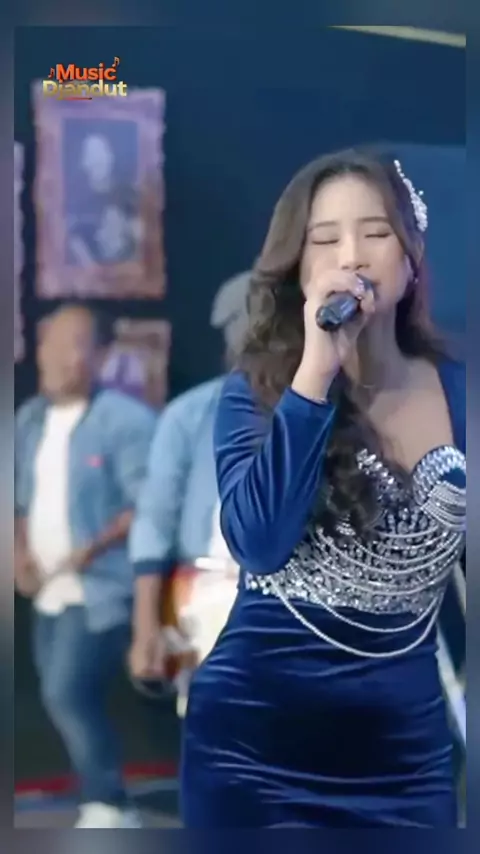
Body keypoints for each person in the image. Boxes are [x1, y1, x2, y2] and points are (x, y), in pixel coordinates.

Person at [179, 148, 466, 828]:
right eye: (326, 239)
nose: (353, 256)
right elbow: (257, 541)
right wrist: (314, 376)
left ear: (411, 255)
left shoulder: (460, 390)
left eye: (376, 232)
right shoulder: (255, 393)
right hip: (254, 754)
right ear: (299, 268)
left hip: (407, 758)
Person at [14, 303, 156, 829]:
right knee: (61, 694)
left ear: (99, 355)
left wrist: (90, 549)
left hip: (101, 588)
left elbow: (148, 503)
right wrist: (18, 554)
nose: (60, 358)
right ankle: (101, 798)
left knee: (67, 691)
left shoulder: (126, 421)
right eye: (51, 344)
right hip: (47, 590)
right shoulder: (29, 420)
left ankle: (110, 803)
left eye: (75, 345)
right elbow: (18, 499)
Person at [128, 272, 250, 708]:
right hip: (200, 598)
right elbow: (155, 520)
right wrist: (146, 627)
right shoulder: (190, 415)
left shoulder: (322, 415)